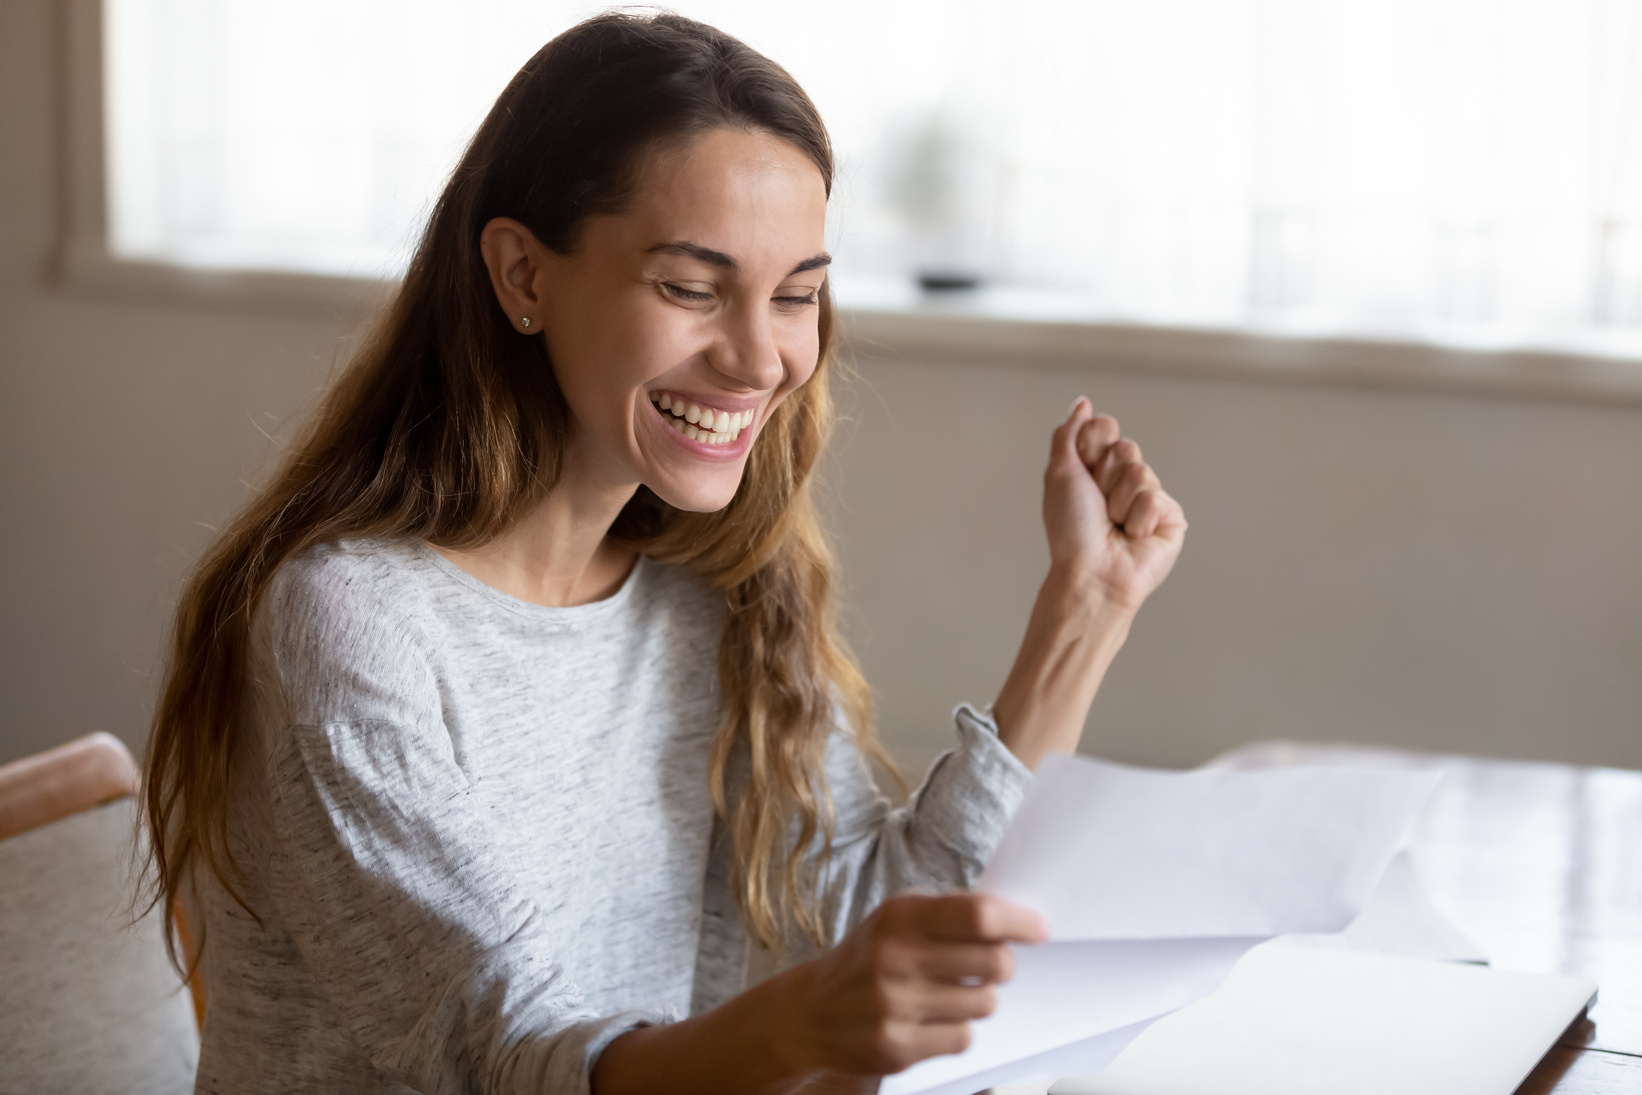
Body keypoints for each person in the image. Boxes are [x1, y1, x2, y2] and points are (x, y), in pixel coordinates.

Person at [140, 11, 1186, 1094]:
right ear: (522, 277)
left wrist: (1087, 609)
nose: (759, 358)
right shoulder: (353, 620)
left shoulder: (707, 599)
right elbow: (501, 1047)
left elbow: (889, 918)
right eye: (691, 288)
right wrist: (797, 1029)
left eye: (795, 296)